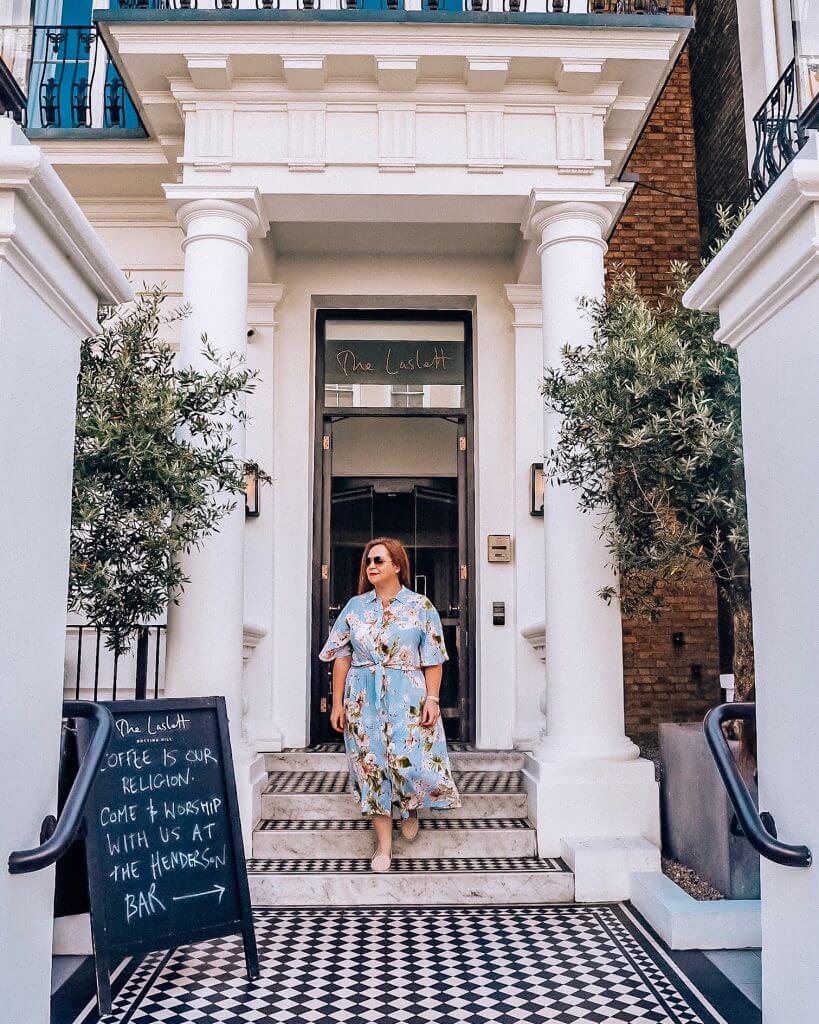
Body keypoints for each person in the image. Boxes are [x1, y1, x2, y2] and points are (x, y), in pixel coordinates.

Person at [319, 536, 461, 872]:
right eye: (368, 561)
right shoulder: (356, 607)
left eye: (379, 561)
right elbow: (340, 656)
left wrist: (433, 698)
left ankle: (411, 806)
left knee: (410, 760)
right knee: (371, 768)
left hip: (408, 694)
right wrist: (337, 703)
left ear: (397, 565)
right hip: (362, 696)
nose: (371, 567)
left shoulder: (420, 607)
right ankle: (384, 846)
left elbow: (433, 659)